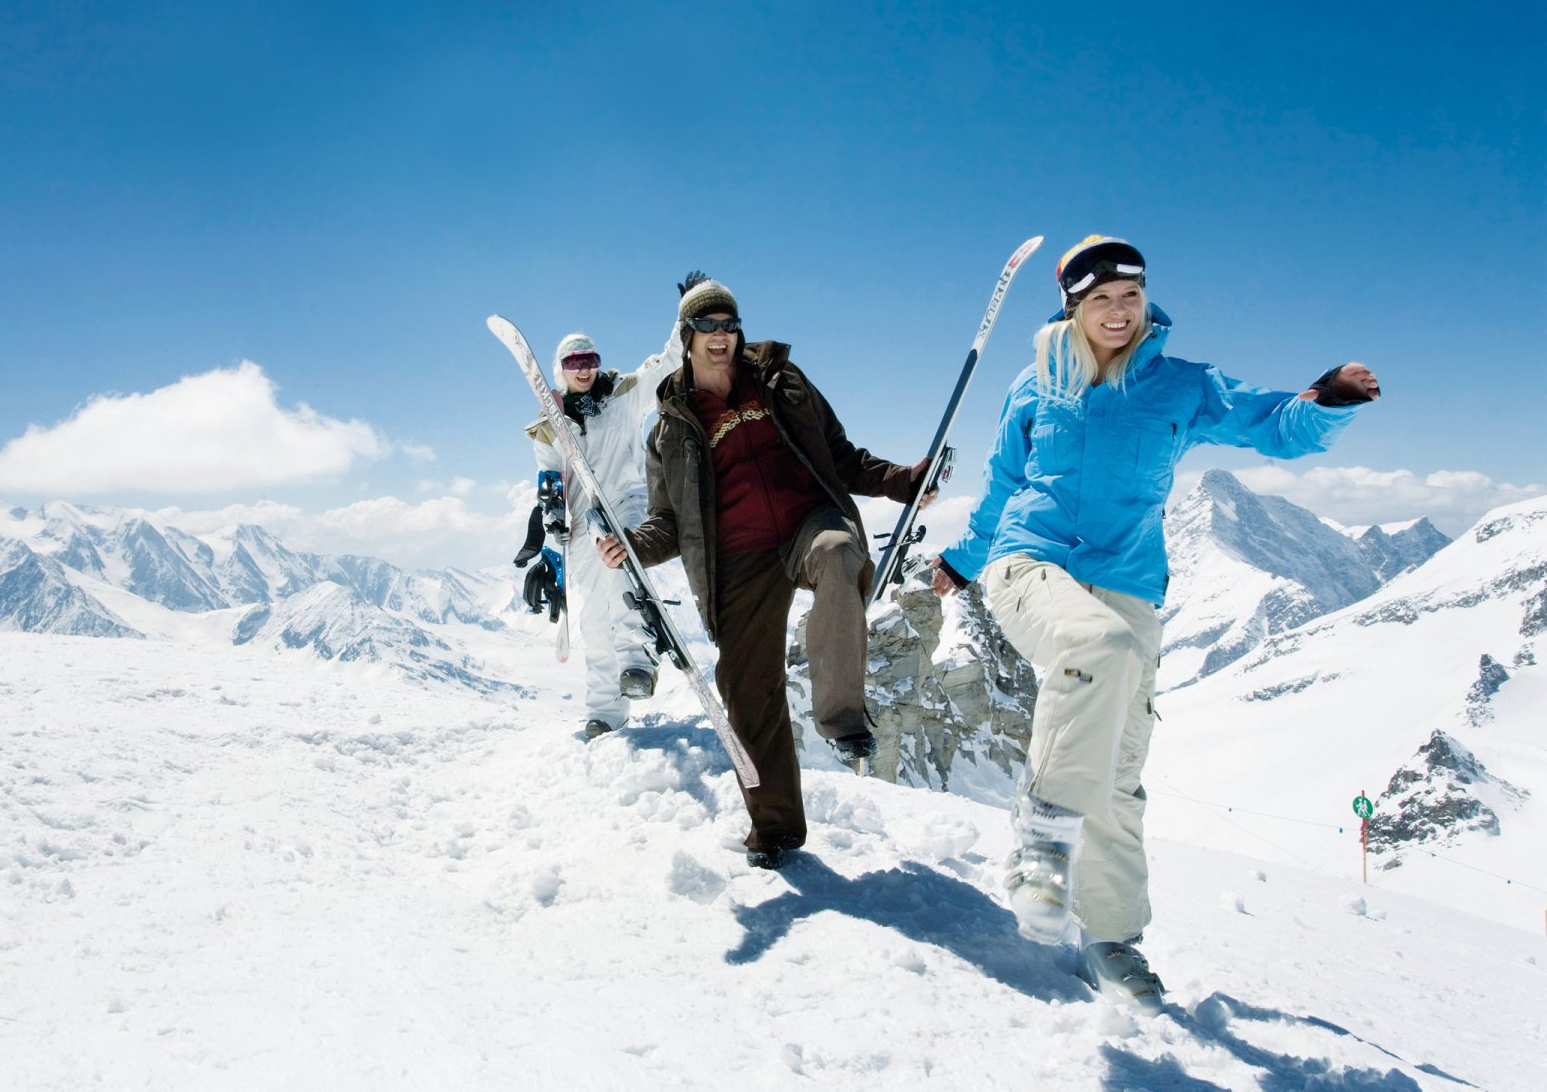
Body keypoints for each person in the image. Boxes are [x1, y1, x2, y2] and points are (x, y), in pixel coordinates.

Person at [929, 235, 1381, 1008]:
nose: (1117, 312)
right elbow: (1002, 482)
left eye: (1129, 297)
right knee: (1091, 649)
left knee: (1119, 771)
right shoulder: (1033, 384)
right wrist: (966, 559)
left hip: (1129, 584)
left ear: (1145, 301)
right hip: (1031, 563)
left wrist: (1323, 400)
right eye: (1099, 299)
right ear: (1072, 308)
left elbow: (1269, 422)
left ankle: (1111, 939)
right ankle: (1040, 845)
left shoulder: (1181, 385)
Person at [600, 273, 932, 869]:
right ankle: (776, 829)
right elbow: (668, 523)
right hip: (739, 560)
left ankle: (842, 718)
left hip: (809, 522)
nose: (721, 335)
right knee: (747, 690)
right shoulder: (669, 431)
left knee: (838, 554)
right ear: (687, 336)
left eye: (729, 325)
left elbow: (841, 456)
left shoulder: (783, 383)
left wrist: (901, 482)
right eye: (708, 326)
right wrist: (632, 545)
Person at [518, 316, 682, 739]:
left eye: (590, 359)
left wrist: (688, 317)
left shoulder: (623, 395)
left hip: (625, 505)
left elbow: (667, 364)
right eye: (574, 361)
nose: (584, 368)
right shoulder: (546, 428)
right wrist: (550, 528)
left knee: (618, 570)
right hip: (580, 522)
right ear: (561, 369)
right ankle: (606, 711)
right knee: (592, 620)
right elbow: (549, 478)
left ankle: (637, 662)